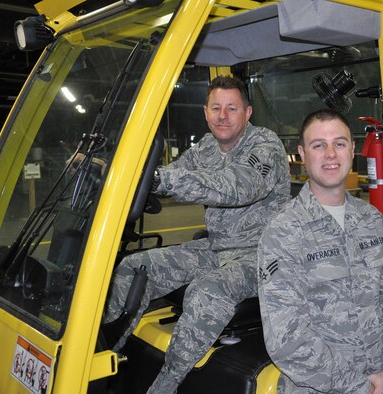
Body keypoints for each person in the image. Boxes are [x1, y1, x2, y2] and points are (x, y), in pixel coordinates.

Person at [103, 75, 291, 393]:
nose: (223, 115)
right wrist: (122, 175)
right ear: (205, 112)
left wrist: (163, 180)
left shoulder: (265, 145)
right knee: (134, 268)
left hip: (262, 256)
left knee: (207, 291)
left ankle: (167, 382)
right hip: (218, 248)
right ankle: (109, 354)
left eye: (232, 108)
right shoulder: (205, 147)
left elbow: (239, 186)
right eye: (216, 108)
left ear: (247, 113)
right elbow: (175, 172)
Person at [257, 109, 383, 394]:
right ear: (302, 154)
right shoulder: (283, 232)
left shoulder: (372, 221)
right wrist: (362, 387)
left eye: (339, 143)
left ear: (353, 150)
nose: (330, 154)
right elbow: (286, 337)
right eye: (319, 145)